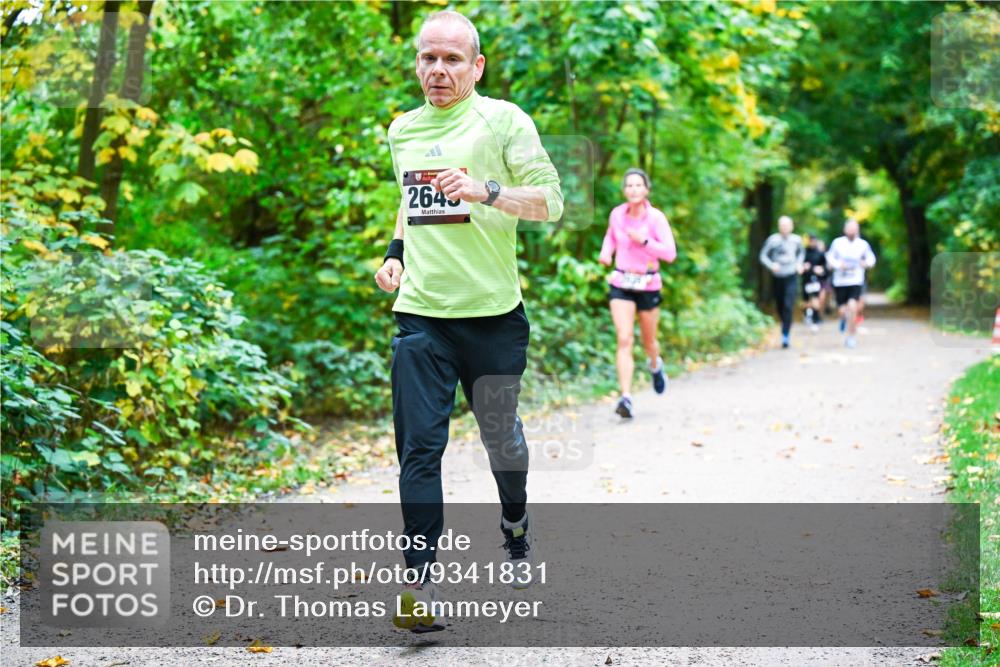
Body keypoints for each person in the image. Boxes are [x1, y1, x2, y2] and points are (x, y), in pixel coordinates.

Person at [374, 10, 563, 632]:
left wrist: (485, 191)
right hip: (422, 317)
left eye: (452, 59)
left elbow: (551, 202)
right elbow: (409, 199)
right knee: (419, 451)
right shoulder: (403, 129)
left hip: (494, 318)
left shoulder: (503, 121)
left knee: (500, 439)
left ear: (476, 67)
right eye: (428, 58)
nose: (438, 70)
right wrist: (395, 254)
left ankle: (515, 522)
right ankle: (419, 586)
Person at [598, 168, 677, 419]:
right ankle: (626, 397)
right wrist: (606, 252)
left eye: (638, 185)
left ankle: (655, 365)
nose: (633, 189)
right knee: (624, 339)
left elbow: (670, 254)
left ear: (646, 190)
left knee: (648, 341)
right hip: (622, 281)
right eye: (629, 186)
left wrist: (644, 241)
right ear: (624, 190)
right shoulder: (617, 215)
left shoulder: (656, 219)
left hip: (648, 283)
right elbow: (611, 236)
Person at [826, 219, 876, 348]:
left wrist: (866, 263)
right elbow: (830, 258)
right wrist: (838, 265)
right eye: (849, 228)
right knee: (843, 311)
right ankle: (844, 319)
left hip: (855, 281)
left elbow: (871, 258)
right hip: (840, 282)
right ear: (845, 230)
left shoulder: (862, 244)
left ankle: (851, 337)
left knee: (853, 307)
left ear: (857, 230)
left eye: (854, 228)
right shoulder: (837, 243)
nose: (852, 231)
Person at [758, 215, 805, 348]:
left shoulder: (796, 240)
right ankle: (784, 325)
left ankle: (785, 334)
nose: (785, 228)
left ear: (791, 227)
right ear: (779, 227)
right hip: (778, 276)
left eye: (787, 225)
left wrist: (799, 264)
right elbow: (763, 256)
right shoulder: (773, 240)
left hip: (791, 275)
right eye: (782, 226)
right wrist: (771, 265)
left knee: (788, 305)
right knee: (780, 305)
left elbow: (801, 254)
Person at [801, 236, 827, 331]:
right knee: (806, 301)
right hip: (806, 279)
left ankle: (815, 319)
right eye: (810, 241)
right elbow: (800, 265)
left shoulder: (820, 253)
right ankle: (807, 314)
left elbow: (825, 267)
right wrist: (803, 267)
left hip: (816, 280)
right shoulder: (804, 252)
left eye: (813, 241)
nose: (812, 242)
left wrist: (821, 270)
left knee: (815, 299)